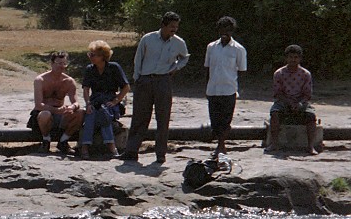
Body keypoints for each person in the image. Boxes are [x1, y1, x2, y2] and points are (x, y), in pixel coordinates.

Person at [121, 11, 190, 164]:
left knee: (163, 118)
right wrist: (137, 78)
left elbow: (185, 57)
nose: (174, 30)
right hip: (145, 80)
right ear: (163, 25)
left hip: (163, 81)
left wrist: (176, 68)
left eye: (176, 27)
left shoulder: (179, 42)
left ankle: (160, 154)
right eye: (171, 26)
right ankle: (131, 151)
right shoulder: (148, 39)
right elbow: (138, 59)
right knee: (139, 117)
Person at [204, 16, 247, 156]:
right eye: (222, 29)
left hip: (229, 90)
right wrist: (207, 88)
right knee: (215, 120)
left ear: (232, 31)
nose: (225, 32)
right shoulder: (211, 47)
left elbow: (241, 71)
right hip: (213, 89)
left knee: (226, 120)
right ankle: (219, 143)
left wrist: (237, 88)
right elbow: (208, 68)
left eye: (228, 30)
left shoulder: (238, 49)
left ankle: (221, 145)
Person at [80, 41, 130, 159]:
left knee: (104, 113)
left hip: (109, 101)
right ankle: (87, 147)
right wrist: (87, 104)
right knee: (91, 114)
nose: (91, 57)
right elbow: (86, 89)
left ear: (103, 57)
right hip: (95, 100)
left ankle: (108, 146)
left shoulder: (114, 67)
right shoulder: (90, 69)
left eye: (94, 55)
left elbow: (126, 87)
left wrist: (116, 101)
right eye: (90, 54)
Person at [267, 44, 318, 155]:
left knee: (311, 115)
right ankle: (274, 143)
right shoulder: (279, 73)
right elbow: (277, 93)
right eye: (290, 57)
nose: (293, 60)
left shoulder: (305, 74)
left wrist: (299, 104)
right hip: (283, 101)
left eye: (296, 57)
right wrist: (289, 102)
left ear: (300, 59)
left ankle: (310, 146)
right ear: (286, 58)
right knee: (274, 113)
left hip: (301, 102)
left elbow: (307, 94)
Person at [30, 51, 84, 153]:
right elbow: (38, 105)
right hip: (43, 113)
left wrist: (72, 107)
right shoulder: (40, 80)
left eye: (64, 64)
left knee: (80, 113)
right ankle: (46, 140)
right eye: (59, 63)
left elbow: (76, 102)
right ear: (52, 63)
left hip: (60, 113)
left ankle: (63, 141)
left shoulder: (69, 81)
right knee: (45, 114)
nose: (62, 66)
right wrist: (56, 110)